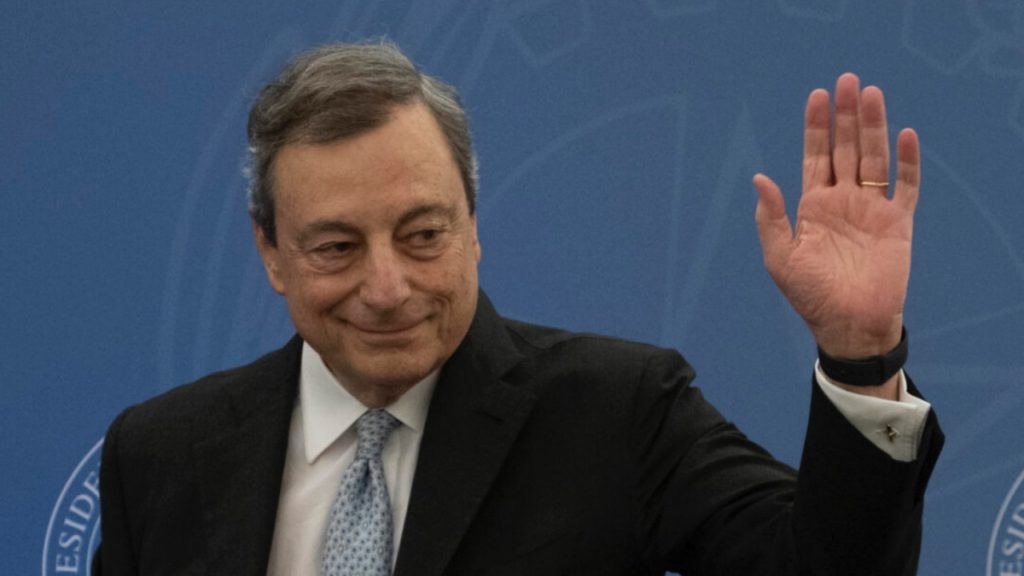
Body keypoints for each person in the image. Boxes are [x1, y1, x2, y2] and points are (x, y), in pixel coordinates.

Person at [93, 41, 943, 575]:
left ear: (473, 226)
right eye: (337, 247)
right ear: (271, 252)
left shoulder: (620, 412)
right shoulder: (161, 455)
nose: (387, 288)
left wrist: (860, 354)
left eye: (423, 235)